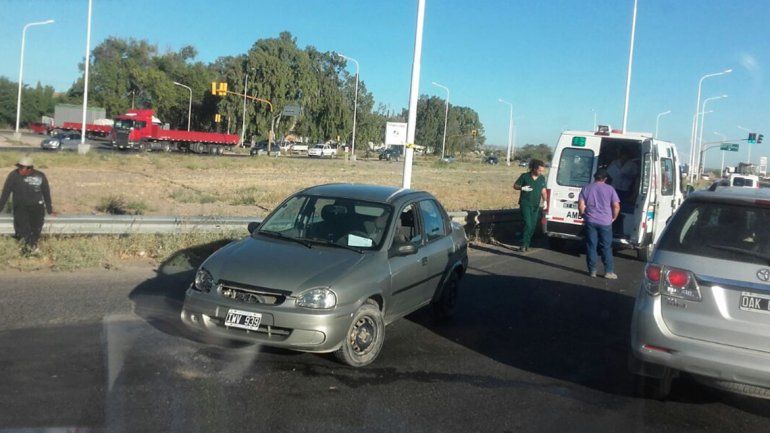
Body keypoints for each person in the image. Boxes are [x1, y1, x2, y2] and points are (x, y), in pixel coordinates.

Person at [0, 156, 55, 254]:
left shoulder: (40, 176)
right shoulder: (13, 175)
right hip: (20, 207)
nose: (19, 169)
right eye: (19, 167)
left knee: (36, 229)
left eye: (22, 168)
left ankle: (30, 249)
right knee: (23, 229)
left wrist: (50, 209)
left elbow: (46, 193)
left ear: (30, 168)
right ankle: (29, 249)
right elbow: (6, 192)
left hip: (37, 208)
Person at [578, 168, 620, 279]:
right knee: (606, 246)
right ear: (605, 179)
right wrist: (614, 217)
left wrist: (583, 215)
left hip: (590, 221)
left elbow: (581, 205)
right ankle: (608, 272)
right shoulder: (610, 189)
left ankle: (592, 271)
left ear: (594, 177)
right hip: (605, 221)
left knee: (591, 246)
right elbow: (616, 206)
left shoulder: (586, 188)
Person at [513, 159, 547, 251]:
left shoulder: (542, 178)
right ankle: (523, 244)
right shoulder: (525, 176)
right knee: (527, 224)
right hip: (525, 204)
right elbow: (515, 185)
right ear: (534, 169)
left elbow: (543, 190)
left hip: (536, 205)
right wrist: (522, 188)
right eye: (539, 170)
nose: (541, 172)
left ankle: (527, 244)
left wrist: (545, 201)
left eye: (542, 171)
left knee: (532, 226)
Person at [607, 148, 640, 212]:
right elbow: (609, 171)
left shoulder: (632, 164)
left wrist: (627, 175)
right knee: (613, 203)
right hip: (614, 186)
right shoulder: (615, 162)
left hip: (625, 188)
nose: (624, 157)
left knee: (622, 205)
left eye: (625, 155)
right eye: (623, 155)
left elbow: (635, 176)